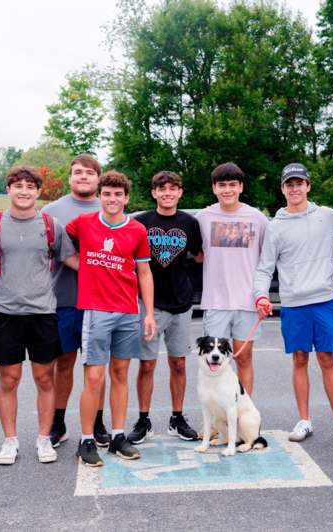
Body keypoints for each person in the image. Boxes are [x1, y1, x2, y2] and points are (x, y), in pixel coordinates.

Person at [0, 165, 78, 465]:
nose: (23, 191)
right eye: (17, 185)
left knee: (45, 378)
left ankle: (43, 439)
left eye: (30, 186)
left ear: (38, 191)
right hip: (7, 313)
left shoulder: (51, 225)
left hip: (43, 313)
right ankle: (10, 441)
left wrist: (111, 272)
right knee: (8, 379)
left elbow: (71, 259)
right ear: (8, 189)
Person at [254, 163, 333, 446]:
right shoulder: (275, 227)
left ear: (308, 185)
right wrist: (261, 295)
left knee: (327, 359)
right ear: (283, 189)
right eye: (289, 184)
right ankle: (304, 420)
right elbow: (264, 268)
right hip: (293, 304)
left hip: (323, 301)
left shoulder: (326, 216)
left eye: (300, 183)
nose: (295, 188)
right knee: (299, 359)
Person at [66, 170, 157, 467]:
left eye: (118, 194)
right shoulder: (84, 223)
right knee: (94, 377)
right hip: (96, 310)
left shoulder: (137, 230)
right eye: (107, 194)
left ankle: (118, 435)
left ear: (127, 198)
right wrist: (80, 267)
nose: (112, 199)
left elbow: (144, 273)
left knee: (120, 373)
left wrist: (149, 314)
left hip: (128, 311)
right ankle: (87, 439)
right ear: (99, 196)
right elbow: (58, 243)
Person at [127, 171, 203, 444]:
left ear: (180, 192)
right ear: (154, 193)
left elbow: (199, 256)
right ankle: (143, 419)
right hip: (150, 304)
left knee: (179, 363)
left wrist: (189, 284)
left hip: (181, 304)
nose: (168, 193)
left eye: (173, 189)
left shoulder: (190, 223)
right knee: (147, 364)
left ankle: (177, 417)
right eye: (162, 189)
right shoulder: (141, 222)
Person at [42, 154, 110, 448]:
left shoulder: (110, 207)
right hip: (64, 299)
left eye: (89, 173)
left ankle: (97, 423)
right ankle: (58, 422)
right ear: (70, 178)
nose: (83, 177)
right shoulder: (52, 211)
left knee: (96, 366)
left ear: (98, 178)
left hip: (101, 302)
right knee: (65, 361)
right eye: (78, 172)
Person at [196, 162, 268, 394]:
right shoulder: (202, 218)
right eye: (222, 185)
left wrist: (262, 295)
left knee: (244, 359)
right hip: (216, 302)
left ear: (241, 187)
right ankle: (218, 419)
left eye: (232, 185)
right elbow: (195, 254)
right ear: (214, 188)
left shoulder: (257, 218)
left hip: (247, 302)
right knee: (214, 364)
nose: (227, 190)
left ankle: (243, 413)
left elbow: (268, 258)